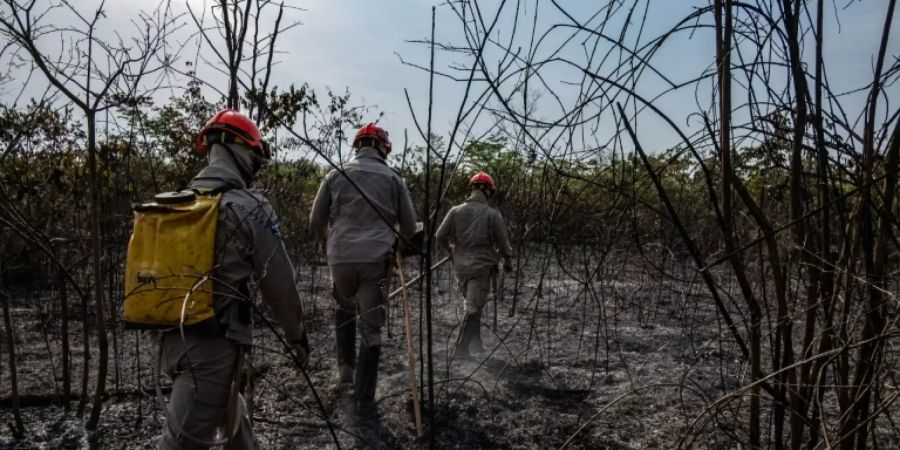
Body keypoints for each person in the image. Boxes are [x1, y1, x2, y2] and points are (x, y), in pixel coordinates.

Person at [158, 109, 309, 449]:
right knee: (180, 444)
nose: (257, 163)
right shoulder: (249, 206)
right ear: (238, 148)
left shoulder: (175, 205)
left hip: (172, 343)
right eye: (255, 154)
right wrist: (297, 336)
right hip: (212, 348)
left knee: (235, 423)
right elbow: (280, 285)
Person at [309, 123, 417, 412]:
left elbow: (316, 220)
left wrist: (330, 243)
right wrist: (400, 249)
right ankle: (364, 395)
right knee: (371, 329)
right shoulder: (395, 179)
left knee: (344, 308)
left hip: (340, 260)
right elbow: (409, 226)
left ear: (357, 146)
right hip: (376, 263)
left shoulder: (335, 173)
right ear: (383, 148)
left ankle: (345, 371)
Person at [436, 171, 513, 360]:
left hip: (460, 267)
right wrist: (508, 260)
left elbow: (439, 236)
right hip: (481, 267)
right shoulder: (492, 214)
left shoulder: (455, 210)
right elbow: (503, 242)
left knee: (471, 303)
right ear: (487, 190)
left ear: (472, 188)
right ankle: (461, 351)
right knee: (473, 307)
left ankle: (476, 344)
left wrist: (451, 251)